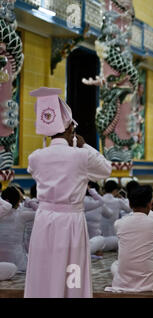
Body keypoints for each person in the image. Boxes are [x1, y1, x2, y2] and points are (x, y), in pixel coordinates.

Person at [25, 87, 112, 298]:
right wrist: (84, 146)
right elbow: (106, 169)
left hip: (44, 220)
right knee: (72, 270)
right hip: (70, 221)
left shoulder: (35, 157)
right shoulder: (80, 156)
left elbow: (34, 170)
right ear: (70, 128)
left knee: (44, 266)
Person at [0, 187, 35, 272]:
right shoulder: (22, 215)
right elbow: (43, 213)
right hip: (19, 265)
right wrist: (29, 200)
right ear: (18, 201)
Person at [101, 180, 132, 251]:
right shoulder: (118, 201)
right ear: (115, 190)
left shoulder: (99, 200)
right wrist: (123, 199)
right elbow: (129, 210)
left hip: (100, 236)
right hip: (114, 236)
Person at [84, 181, 114, 256]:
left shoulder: (78, 202)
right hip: (96, 240)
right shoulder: (99, 204)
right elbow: (110, 214)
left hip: (81, 241)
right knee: (116, 240)